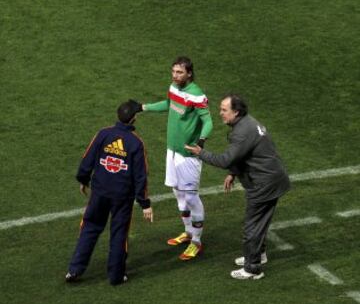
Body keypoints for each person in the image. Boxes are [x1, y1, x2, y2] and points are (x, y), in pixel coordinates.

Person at [185, 94, 290, 279]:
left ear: (236, 112)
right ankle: (258, 255)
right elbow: (244, 155)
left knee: (252, 227)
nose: (220, 113)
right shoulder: (247, 124)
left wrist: (201, 153)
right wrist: (233, 173)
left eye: (224, 110)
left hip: (263, 184)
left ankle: (253, 269)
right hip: (271, 179)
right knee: (259, 224)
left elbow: (226, 159)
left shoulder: (242, 132)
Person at [131, 56, 213, 260]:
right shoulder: (174, 88)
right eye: (173, 71)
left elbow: (208, 121)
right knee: (178, 193)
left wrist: (201, 142)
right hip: (172, 151)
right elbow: (168, 103)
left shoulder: (197, 96)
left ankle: (197, 242)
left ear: (189, 74)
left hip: (187, 155)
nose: (175, 75)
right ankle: (187, 232)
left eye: (179, 72)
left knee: (191, 196)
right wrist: (144, 107)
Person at [65, 100, 153, 285]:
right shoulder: (136, 143)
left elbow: (87, 158)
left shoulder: (103, 134)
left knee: (89, 228)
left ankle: (74, 270)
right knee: (119, 233)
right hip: (122, 197)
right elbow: (140, 176)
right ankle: (116, 275)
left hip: (99, 192)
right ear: (134, 119)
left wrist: (83, 179)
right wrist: (144, 203)